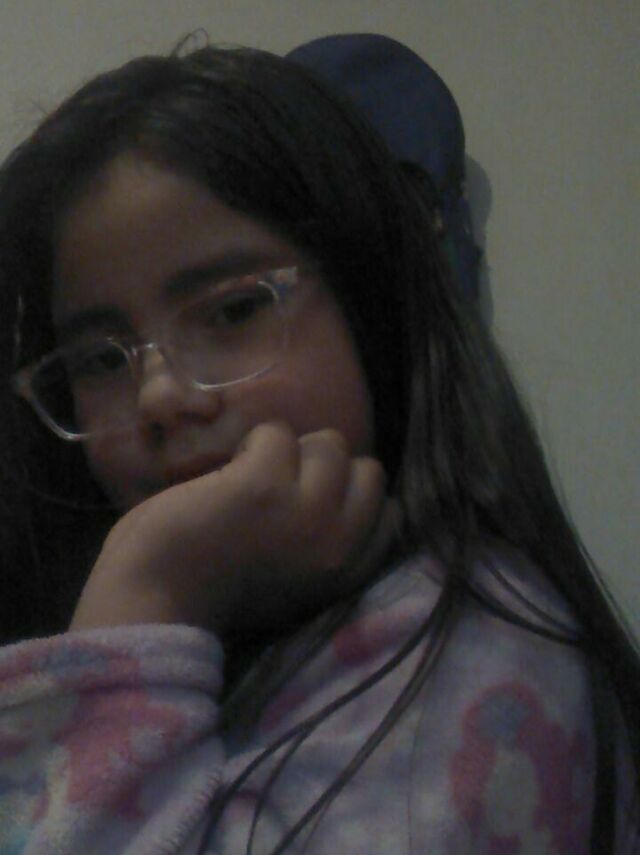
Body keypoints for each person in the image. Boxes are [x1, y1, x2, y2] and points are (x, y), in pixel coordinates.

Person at [0, 32, 637, 854]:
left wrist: (146, 590)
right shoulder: (226, 616)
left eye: (235, 310)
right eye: (100, 359)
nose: (156, 395)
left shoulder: (482, 655)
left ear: (376, 309)